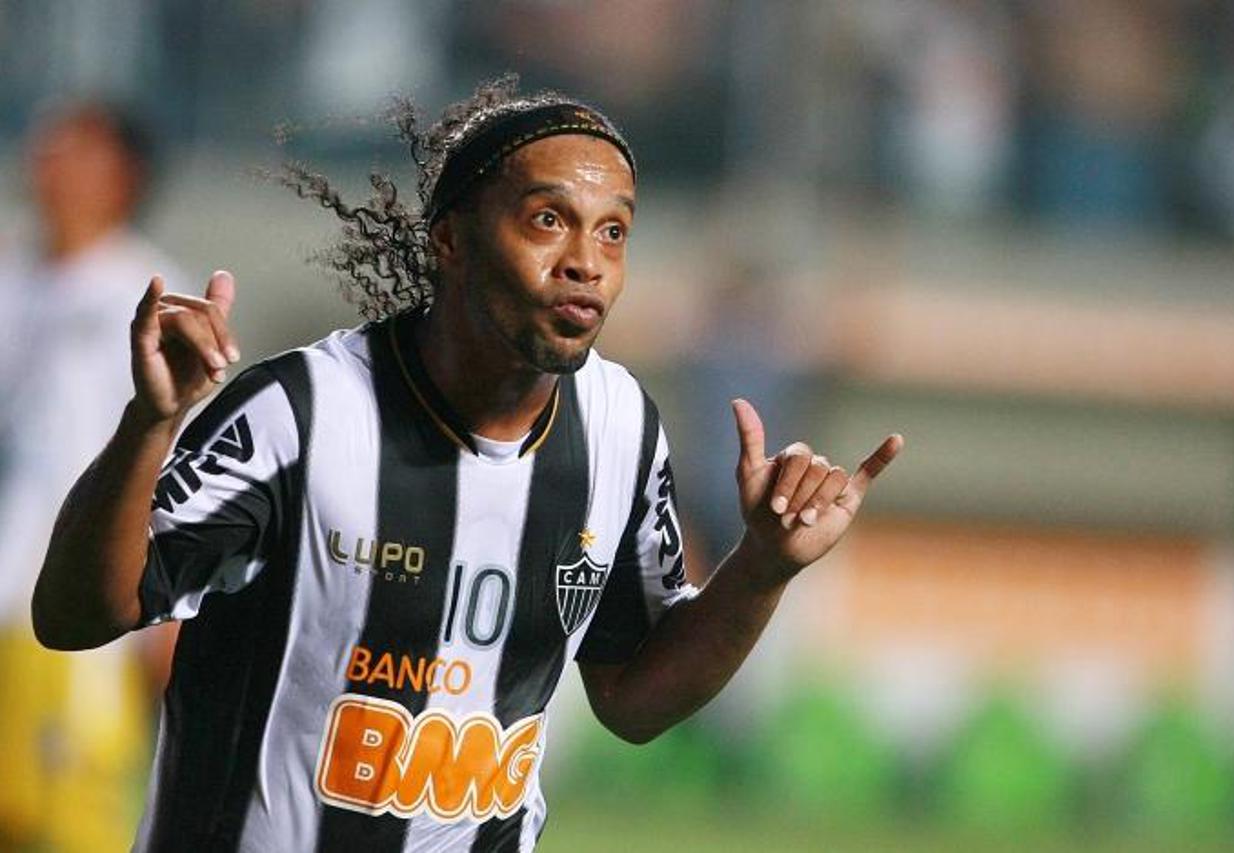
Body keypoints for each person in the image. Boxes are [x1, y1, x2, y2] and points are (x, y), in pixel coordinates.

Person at [31, 77, 902, 852]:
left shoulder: (620, 428)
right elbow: (76, 615)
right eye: (547, 220)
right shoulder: (301, 411)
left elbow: (633, 700)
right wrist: (152, 423)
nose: (585, 264)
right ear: (449, 239)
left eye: (614, 232)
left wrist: (760, 569)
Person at [0, 102, 185, 851]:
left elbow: (178, 463)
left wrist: (166, 612)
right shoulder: (12, 283)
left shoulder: (146, 300)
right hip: (2, 593)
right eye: (47, 147)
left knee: (71, 819)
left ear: (122, 178)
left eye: (75, 152)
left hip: (70, 617)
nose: (49, 164)